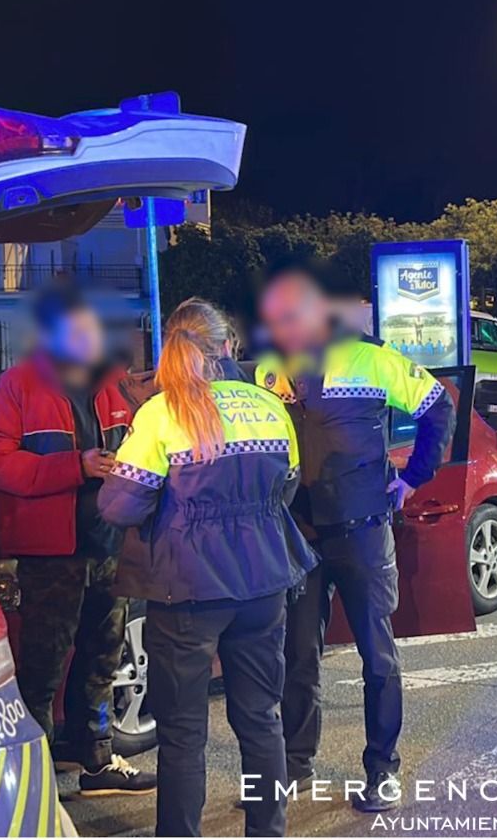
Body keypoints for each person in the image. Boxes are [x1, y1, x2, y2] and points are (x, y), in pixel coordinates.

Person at [99, 299, 317, 837]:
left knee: (182, 734)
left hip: (187, 591)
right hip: (264, 582)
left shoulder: (160, 413)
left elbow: (118, 506)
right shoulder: (268, 406)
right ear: (226, 347)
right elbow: (286, 486)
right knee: (261, 720)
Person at [259, 261, 455, 813]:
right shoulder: (271, 370)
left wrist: (414, 477)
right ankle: (297, 764)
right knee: (297, 654)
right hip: (299, 533)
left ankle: (382, 769)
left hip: (363, 529)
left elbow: (438, 404)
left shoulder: (370, 358)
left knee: (377, 656)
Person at [0, 285, 153, 796]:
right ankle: (34, 777)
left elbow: (146, 446)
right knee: (42, 667)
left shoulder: (116, 385)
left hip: (110, 546)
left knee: (102, 658)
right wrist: (75, 466)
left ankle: (94, 760)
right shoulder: (19, 386)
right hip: (53, 553)